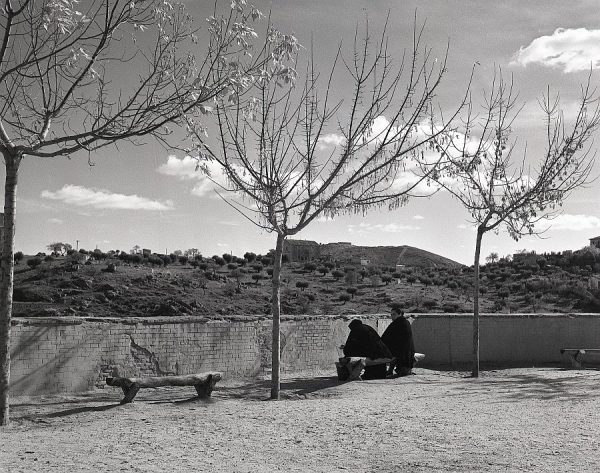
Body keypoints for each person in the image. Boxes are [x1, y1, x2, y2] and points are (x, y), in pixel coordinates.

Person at [381, 306, 415, 377]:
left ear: (400, 314)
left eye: (394, 314)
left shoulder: (397, 323)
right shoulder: (406, 322)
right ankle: (390, 371)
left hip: (401, 351)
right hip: (408, 350)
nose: (392, 316)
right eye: (391, 315)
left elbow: (386, 337)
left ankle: (388, 371)